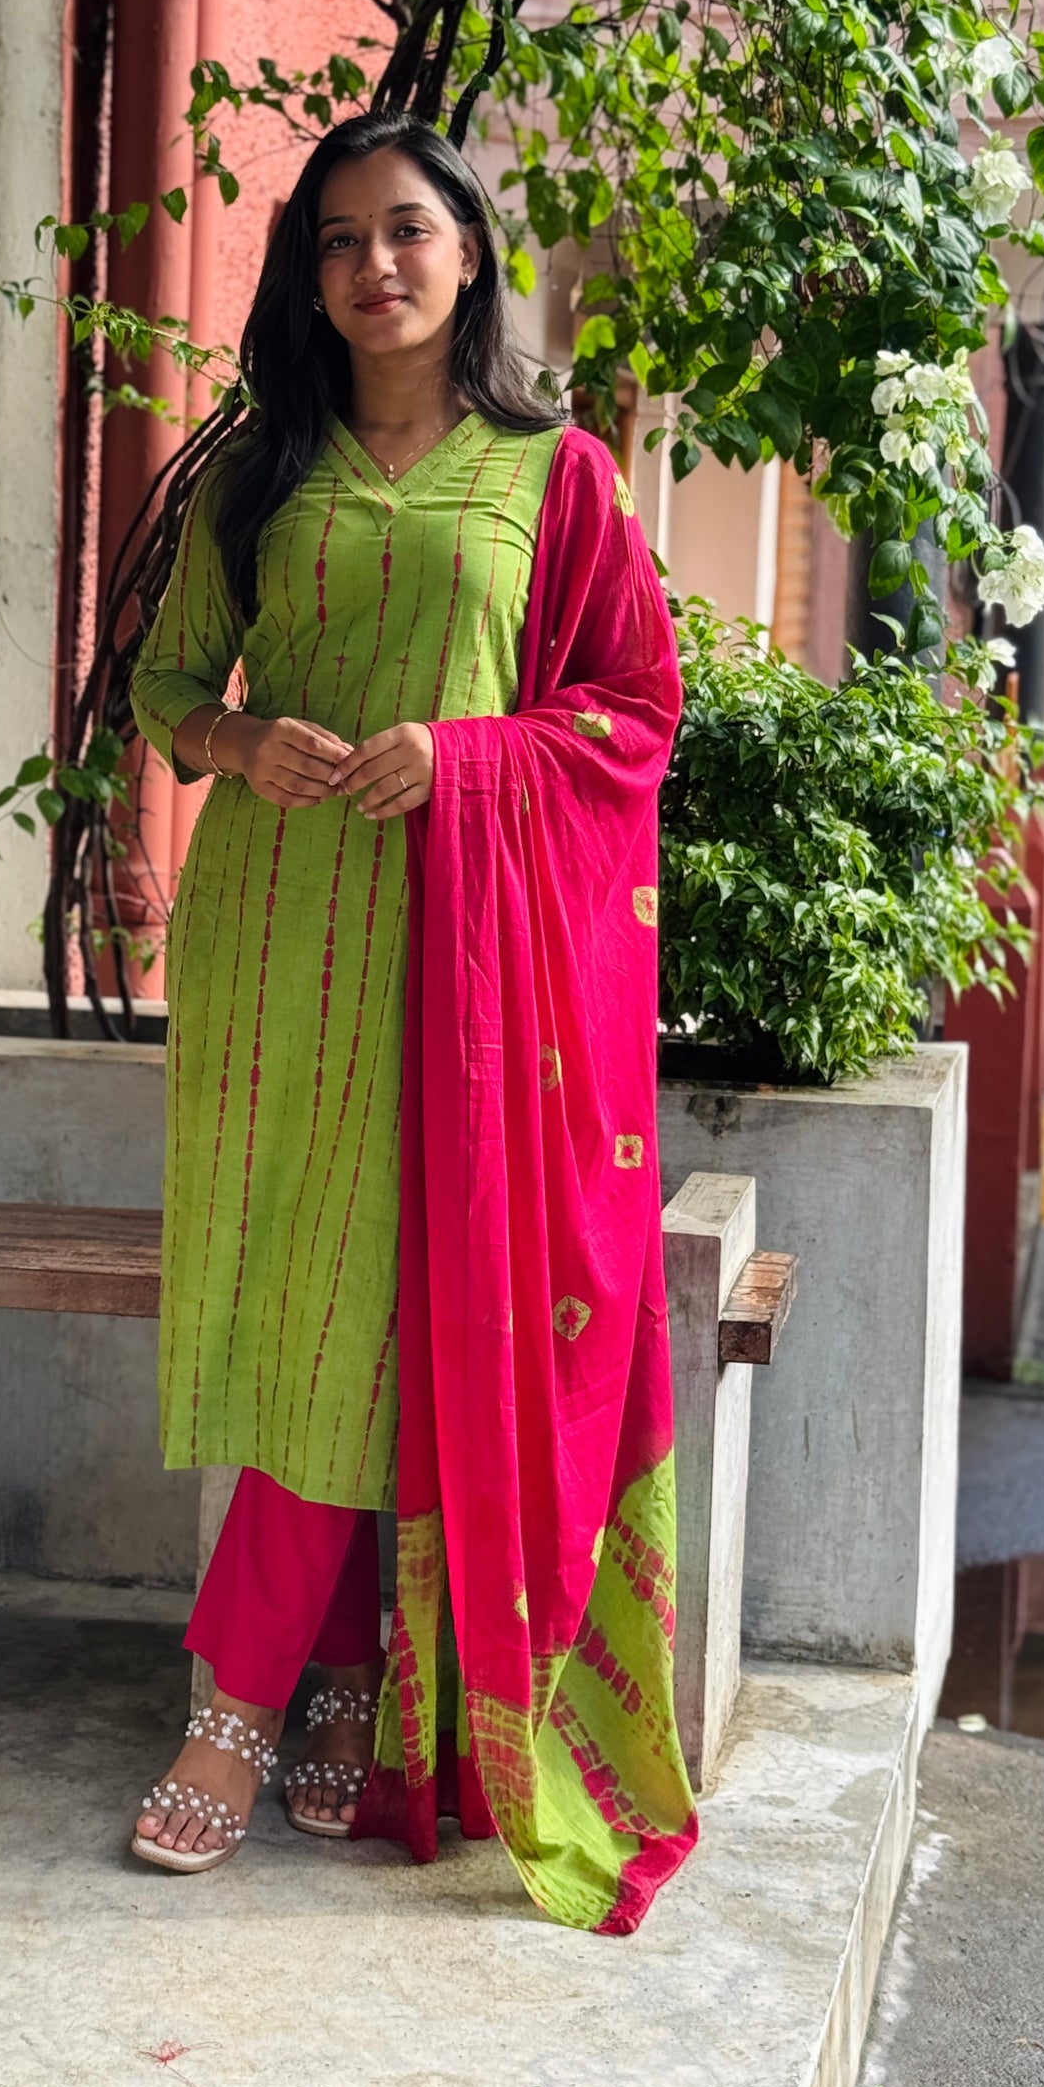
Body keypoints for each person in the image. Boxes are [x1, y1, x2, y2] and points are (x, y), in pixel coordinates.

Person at [124, 112, 698, 1933]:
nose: (372, 264)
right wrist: (235, 739)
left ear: (467, 252)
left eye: (406, 230)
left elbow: (635, 710)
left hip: (467, 963)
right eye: (336, 240)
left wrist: (465, 759)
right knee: (312, 1299)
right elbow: (160, 683)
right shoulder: (261, 470)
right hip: (274, 944)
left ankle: (237, 1698)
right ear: (310, 281)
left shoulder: (556, 476)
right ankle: (338, 1679)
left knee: (387, 1298)